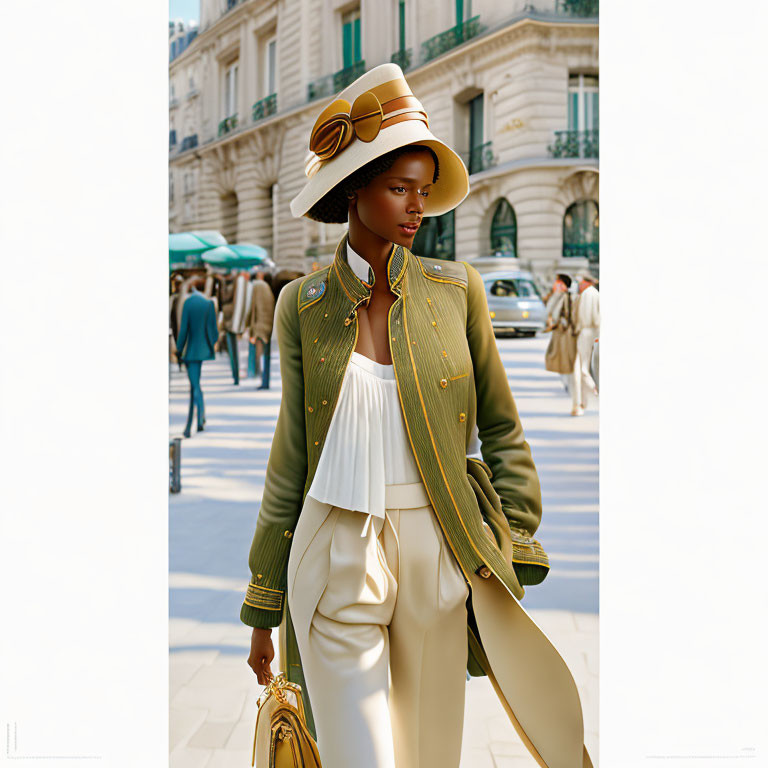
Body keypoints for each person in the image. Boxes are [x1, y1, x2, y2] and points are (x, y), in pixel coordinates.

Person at [240, 63, 592, 768]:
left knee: (431, 756)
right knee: (358, 757)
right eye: (400, 186)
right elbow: (290, 456)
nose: (416, 207)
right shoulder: (300, 306)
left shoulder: (456, 291)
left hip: (437, 548)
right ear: (354, 189)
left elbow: (503, 427)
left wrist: (512, 542)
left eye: (423, 191)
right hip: (333, 550)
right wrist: (262, 604)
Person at [175, 276, 218, 438]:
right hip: (203, 350)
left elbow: (183, 330)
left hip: (190, 351)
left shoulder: (188, 303)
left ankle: (197, 421)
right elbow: (214, 332)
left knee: (194, 386)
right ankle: (202, 416)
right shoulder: (208, 304)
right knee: (196, 384)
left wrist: (178, 349)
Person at [574, 273, 600, 414]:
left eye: (581, 282)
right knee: (585, 366)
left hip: (586, 332)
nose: (579, 284)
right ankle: (583, 402)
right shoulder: (593, 293)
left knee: (582, 367)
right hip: (592, 332)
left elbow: (584, 317)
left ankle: (594, 388)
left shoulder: (588, 295)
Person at [247, 270, 276, 389]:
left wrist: (251, 328)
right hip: (268, 324)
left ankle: (262, 380)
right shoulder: (266, 288)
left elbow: (253, 309)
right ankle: (265, 381)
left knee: (261, 355)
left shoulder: (256, 287)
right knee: (266, 355)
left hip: (260, 326)